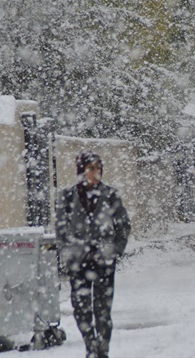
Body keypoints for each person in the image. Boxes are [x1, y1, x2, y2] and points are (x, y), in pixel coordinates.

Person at [55, 149, 132, 358]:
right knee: (81, 308)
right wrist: (68, 253)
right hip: (78, 262)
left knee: (103, 309)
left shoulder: (110, 195)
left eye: (99, 168)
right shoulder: (68, 196)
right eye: (91, 168)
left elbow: (123, 226)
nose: (96, 173)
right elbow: (60, 231)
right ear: (81, 170)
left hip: (104, 260)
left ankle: (102, 348)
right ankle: (90, 345)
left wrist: (115, 250)